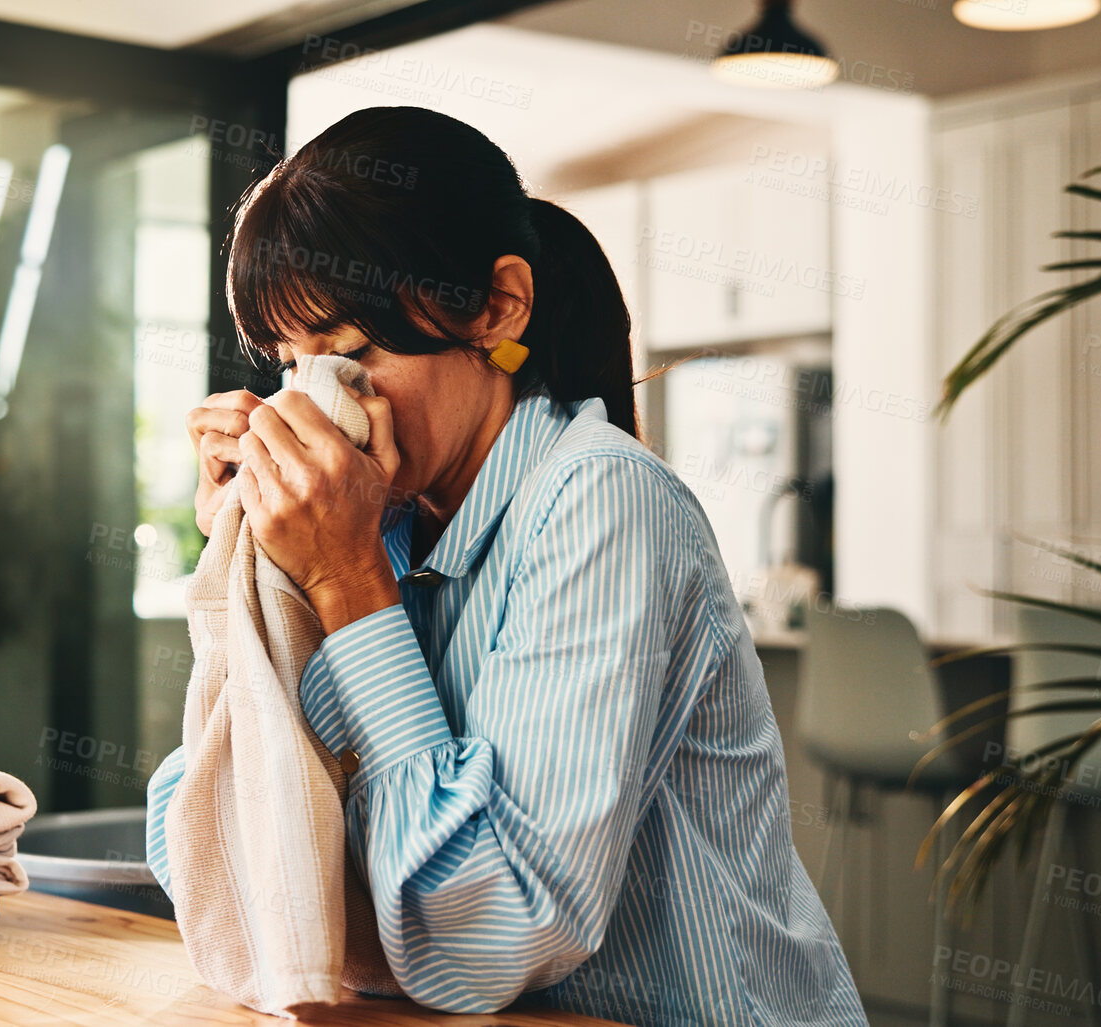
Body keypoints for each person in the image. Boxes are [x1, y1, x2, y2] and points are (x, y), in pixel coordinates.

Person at [145, 105, 865, 1026]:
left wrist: (347, 586)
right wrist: (247, 576)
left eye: (352, 353)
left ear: (495, 308)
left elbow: (488, 938)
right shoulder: (388, 523)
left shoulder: (600, 501)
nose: (315, 403)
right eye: (292, 365)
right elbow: (212, 861)